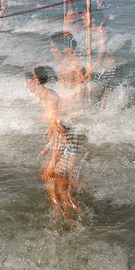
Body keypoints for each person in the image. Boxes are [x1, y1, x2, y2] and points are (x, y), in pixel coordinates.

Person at [26, 66, 83, 225]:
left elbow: (59, 130)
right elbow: (56, 127)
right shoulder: (46, 96)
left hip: (68, 145)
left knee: (61, 189)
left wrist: (52, 162)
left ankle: (76, 222)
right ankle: (60, 218)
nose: (30, 83)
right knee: (52, 182)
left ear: (37, 81)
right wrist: (49, 142)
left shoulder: (50, 98)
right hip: (64, 141)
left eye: (32, 78)